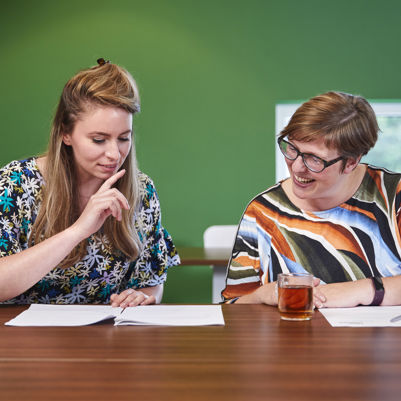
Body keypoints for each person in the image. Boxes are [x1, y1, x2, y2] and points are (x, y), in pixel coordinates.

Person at [0, 58, 180, 306]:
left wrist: (144, 297)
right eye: (99, 139)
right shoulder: (15, 185)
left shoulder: (141, 191)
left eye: (124, 138)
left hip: (105, 341)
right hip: (23, 341)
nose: (115, 154)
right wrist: (78, 231)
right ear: (66, 133)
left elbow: (152, 281)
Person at [222, 91, 401, 308]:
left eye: (314, 159)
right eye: (293, 149)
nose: (297, 167)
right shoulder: (262, 212)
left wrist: (360, 290)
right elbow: (232, 306)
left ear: (351, 162)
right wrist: (262, 295)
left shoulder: (394, 197)